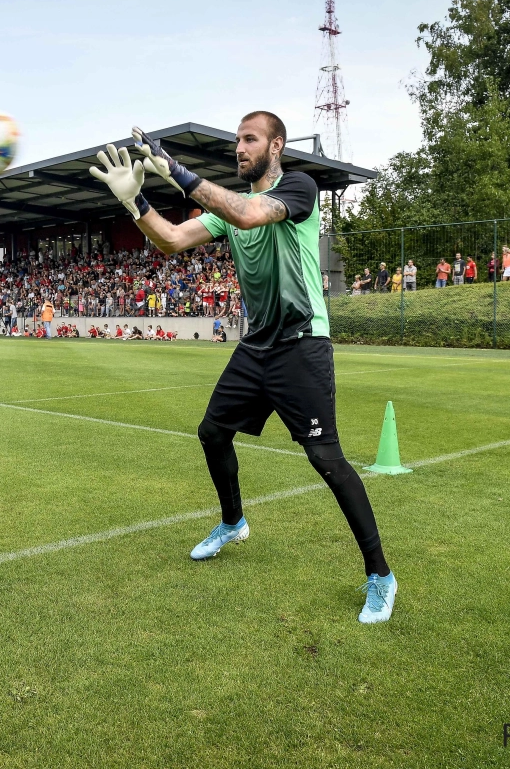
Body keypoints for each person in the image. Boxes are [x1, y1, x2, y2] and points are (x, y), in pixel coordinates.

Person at [89, 111, 396, 623]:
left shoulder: (299, 188)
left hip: (301, 344)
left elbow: (251, 214)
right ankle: (233, 522)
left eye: (250, 140)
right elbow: (170, 239)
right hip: (257, 347)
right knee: (212, 432)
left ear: (276, 146)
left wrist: (177, 171)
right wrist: (134, 200)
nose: (240, 148)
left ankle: (380, 576)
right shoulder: (227, 211)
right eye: (237, 140)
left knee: (327, 461)